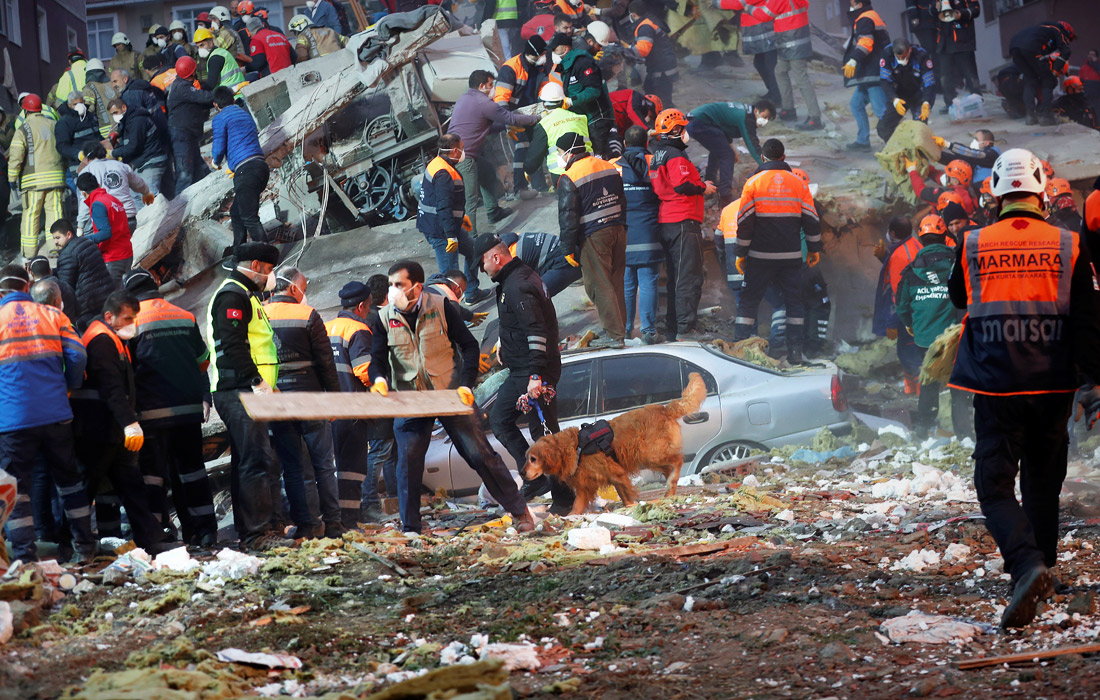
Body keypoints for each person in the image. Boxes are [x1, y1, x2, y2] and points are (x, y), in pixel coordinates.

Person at [948, 148, 1100, 628]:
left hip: (995, 385)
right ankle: (1044, 571)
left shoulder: (972, 242)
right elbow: (1088, 320)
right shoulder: (1069, 243)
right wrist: (1092, 381)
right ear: (1041, 193)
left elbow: (958, 296)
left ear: (993, 192)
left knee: (993, 486)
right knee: (1043, 481)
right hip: (1052, 383)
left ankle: (1026, 566)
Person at [367, 260, 535, 535]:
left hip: (450, 394)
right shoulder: (383, 317)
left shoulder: (442, 307)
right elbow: (377, 359)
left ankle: (520, 512)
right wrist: (379, 380)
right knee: (407, 465)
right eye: (390, 285)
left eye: (399, 285)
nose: (392, 290)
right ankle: (411, 528)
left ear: (417, 287)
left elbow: (469, 346)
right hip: (412, 399)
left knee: (480, 455)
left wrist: (466, 384)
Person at [0, 265, 97, 563]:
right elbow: (78, 355)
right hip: (57, 414)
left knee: (17, 488)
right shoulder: (54, 315)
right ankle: (85, 549)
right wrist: (68, 386)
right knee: (69, 482)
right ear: (28, 286)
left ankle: (26, 559)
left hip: (13, 421)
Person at [71, 290, 179, 554]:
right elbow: (111, 388)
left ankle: (151, 539)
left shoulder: (111, 338)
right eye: (128, 318)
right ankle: (75, 545)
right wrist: (129, 423)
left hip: (112, 430)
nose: (133, 324)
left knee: (131, 486)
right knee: (87, 489)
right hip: (99, 431)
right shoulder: (101, 341)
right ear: (110, 316)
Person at [475, 233, 575, 514]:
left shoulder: (518, 284)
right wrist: (502, 345)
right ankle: (549, 486)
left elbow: (536, 332)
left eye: (482, 264)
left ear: (496, 257)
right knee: (521, 425)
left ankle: (552, 489)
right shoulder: (515, 278)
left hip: (533, 371)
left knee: (533, 431)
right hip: (523, 368)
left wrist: (535, 376)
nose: (483, 271)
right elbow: (520, 325)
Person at [121, 269, 218, 547]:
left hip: (151, 415)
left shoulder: (132, 323)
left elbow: (127, 370)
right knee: (193, 472)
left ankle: (158, 534)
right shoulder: (184, 315)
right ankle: (204, 531)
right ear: (156, 286)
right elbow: (203, 361)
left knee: (152, 476)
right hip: (187, 411)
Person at [207, 242, 292, 552]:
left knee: (251, 460)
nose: (270, 277)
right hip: (239, 390)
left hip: (248, 390)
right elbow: (232, 344)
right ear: (256, 265)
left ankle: (258, 528)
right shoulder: (233, 295)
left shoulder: (245, 295)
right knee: (255, 461)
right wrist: (257, 381)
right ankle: (258, 534)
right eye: (268, 271)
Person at [264, 268, 342, 538]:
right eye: (304, 287)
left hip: (277, 401)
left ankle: (305, 526)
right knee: (323, 464)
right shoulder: (307, 314)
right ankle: (333, 523)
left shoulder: (260, 313)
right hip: (310, 399)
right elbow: (325, 362)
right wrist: (333, 399)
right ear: (294, 289)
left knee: (293, 466)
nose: (304, 293)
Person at [732, 138, 821, 364]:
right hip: (790, 257)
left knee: (749, 301)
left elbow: (744, 221)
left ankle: (739, 349)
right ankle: (795, 353)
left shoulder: (753, 183)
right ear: (783, 157)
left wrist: (741, 252)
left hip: (759, 256)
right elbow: (811, 219)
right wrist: (813, 249)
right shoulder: (798, 184)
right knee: (794, 303)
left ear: (762, 158)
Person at [449, 70, 539, 284]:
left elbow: (488, 126)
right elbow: (507, 117)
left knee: (488, 174)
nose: (493, 88)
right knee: (470, 200)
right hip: (464, 158)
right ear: (482, 85)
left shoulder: (466, 98)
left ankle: (493, 211)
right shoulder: (483, 102)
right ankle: (471, 238)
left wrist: (509, 124)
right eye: (491, 84)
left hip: (465, 152)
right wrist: (535, 117)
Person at [893, 214, 969, 439]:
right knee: (959, 387)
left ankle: (923, 431)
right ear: (945, 236)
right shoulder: (958, 263)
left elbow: (901, 305)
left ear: (920, 239)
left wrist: (910, 325)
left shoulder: (910, 272)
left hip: (925, 338)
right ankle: (965, 435)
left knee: (928, 383)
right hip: (955, 336)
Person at [556, 132, 628, 348]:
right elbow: (622, 199)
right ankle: (620, 329)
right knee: (615, 283)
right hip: (618, 229)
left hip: (594, 235)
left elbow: (568, 215)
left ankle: (614, 336)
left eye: (560, 153)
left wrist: (567, 246)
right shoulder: (607, 165)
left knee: (598, 284)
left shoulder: (570, 177)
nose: (559, 157)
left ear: (569, 152)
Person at [325, 281, 385, 529]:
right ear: (361, 306)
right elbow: (363, 370)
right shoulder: (358, 330)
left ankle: (335, 518)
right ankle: (349, 521)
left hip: (328, 409)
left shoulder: (327, 327)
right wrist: (381, 381)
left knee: (332, 467)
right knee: (352, 469)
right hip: (352, 411)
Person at [650, 109, 713, 341]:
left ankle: (674, 328)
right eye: (682, 128)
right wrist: (704, 188)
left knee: (677, 277)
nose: (686, 132)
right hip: (683, 220)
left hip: (668, 220)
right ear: (675, 130)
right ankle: (686, 330)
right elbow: (682, 185)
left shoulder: (658, 154)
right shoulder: (676, 155)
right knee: (689, 277)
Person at [614, 125, 662, 344]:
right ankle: (649, 331)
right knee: (649, 282)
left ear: (624, 144)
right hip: (649, 232)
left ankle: (624, 330)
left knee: (627, 283)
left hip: (623, 234)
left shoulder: (613, 166)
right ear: (645, 143)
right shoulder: (655, 162)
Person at [744, 0, 822, 130]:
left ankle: (815, 118)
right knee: (780, 71)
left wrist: (749, 8)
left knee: (802, 80)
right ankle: (788, 110)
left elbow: (764, 15)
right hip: (793, 43)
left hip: (791, 44)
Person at [210, 86, 269, 257]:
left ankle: (267, 257)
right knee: (237, 212)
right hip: (260, 167)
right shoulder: (244, 113)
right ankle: (238, 252)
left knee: (249, 217)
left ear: (215, 105)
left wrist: (215, 162)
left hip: (246, 172)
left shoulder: (221, 118)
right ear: (233, 99)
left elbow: (219, 146)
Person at [7, 94, 66, 259]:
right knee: (55, 212)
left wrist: (12, 178)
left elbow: (16, 156)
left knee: (31, 215)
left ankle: (29, 252)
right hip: (56, 179)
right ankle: (56, 246)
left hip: (33, 182)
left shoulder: (23, 129)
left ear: (25, 111)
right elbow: (63, 148)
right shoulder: (55, 125)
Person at [417, 133, 477, 285]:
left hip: (445, 224)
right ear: (455, 150)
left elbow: (441, 200)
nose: (464, 152)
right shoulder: (444, 173)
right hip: (441, 231)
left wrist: (460, 218)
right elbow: (443, 206)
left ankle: (472, 292)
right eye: (462, 148)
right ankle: (452, 307)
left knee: (474, 251)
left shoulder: (437, 163)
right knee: (451, 276)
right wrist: (451, 235)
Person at [687, 100, 772, 206]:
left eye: (768, 119)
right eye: (764, 116)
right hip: (699, 122)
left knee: (719, 151)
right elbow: (753, 147)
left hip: (697, 120)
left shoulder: (746, 111)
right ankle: (725, 196)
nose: (765, 121)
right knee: (727, 155)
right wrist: (769, 166)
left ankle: (710, 185)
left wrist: (731, 146)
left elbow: (723, 129)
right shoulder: (748, 119)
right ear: (756, 111)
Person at [494, 36, 548, 199]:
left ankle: (540, 187)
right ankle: (520, 188)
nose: (545, 56)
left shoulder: (539, 66)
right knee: (522, 146)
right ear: (535, 53)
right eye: (543, 53)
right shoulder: (510, 68)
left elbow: (543, 86)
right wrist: (509, 121)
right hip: (515, 115)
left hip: (533, 112)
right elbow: (501, 99)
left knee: (536, 146)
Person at [560, 22, 620, 158]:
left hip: (587, 117)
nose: (600, 49)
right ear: (589, 41)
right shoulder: (581, 61)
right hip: (593, 117)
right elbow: (591, 91)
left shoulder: (578, 56)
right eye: (599, 45)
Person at [842, 0, 890, 151]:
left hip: (873, 72)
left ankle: (892, 142)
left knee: (880, 109)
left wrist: (853, 59)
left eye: (852, 3)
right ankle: (863, 140)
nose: (850, 6)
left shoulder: (865, 18)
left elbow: (866, 42)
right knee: (856, 105)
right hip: (868, 72)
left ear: (859, 5)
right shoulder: (870, 16)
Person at [1009, 21, 1076, 125]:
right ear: (1066, 31)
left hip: (1014, 48)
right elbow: (1066, 51)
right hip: (1031, 48)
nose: (1067, 40)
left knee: (1030, 79)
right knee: (1049, 80)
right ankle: (1046, 116)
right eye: (1069, 38)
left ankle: (1030, 116)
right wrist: (1055, 71)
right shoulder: (1057, 29)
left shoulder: (1040, 29)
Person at [78, 142, 153, 236]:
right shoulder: (121, 166)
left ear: (87, 158)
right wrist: (147, 193)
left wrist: (80, 225)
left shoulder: (86, 172)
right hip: (128, 218)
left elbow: (85, 202)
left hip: (107, 223)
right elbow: (139, 184)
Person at [524, 82, 590, 188]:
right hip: (588, 166)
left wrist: (528, 169)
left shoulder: (544, 124)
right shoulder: (581, 117)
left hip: (562, 173)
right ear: (563, 101)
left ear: (544, 104)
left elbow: (535, 155)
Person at [52, 220, 113, 331]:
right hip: (105, 297)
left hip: (87, 306)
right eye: (54, 238)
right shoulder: (87, 242)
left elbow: (65, 286)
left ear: (69, 234)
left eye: (57, 238)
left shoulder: (67, 254)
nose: (55, 242)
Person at [167, 57, 214, 194]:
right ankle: (180, 208)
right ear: (192, 73)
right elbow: (203, 97)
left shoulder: (181, 85)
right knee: (185, 173)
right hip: (181, 135)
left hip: (187, 133)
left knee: (200, 169)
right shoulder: (182, 88)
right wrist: (223, 94)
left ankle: (209, 195)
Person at [107, 98, 171, 199]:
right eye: (112, 114)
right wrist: (117, 133)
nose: (115, 116)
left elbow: (133, 147)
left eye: (116, 112)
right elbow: (124, 127)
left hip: (151, 160)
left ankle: (155, 214)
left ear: (123, 107)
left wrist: (113, 154)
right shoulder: (129, 117)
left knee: (149, 194)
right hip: (143, 161)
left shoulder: (137, 121)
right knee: (135, 195)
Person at [718, 0, 779, 104]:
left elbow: (739, 3)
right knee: (760, 63)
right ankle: (773, 92)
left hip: (767, 29)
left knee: (769, 65)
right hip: (762, 29)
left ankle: (777, 96)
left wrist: (716, 3)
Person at [876, 37, 936, 143]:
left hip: (919, 95)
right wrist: (894, 99)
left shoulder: (921, 55)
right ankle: (895, 147)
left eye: (904, 56)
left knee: (920, 131)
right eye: (898, 57)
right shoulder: (887, 53)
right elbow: (885, 80)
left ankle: (919, 154)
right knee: (883, 127)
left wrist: (926, 102)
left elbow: (929, 82)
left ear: (910, 50)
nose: (901, 60)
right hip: (898, 96)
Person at [76, 172, 133, 284]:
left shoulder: (97, 204)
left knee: (113, 297)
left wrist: (83, 240)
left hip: (113, 257)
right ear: (97, 184)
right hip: (126, 252)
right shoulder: (112, 199)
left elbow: (105, 233)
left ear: (83, 193)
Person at [498, 231, 582, 297]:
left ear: (495, 258)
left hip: (570, 262)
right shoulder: (505, 241)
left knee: (534, 297)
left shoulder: (511, 261)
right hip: (571, 251)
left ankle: (576, 274)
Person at [931, 0, 980, 110]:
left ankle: (977, 100)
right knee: (945, 75)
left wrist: (961, 14)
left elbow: (976, 10)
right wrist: (936, 7)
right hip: (944, 41)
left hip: (963, 39)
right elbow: (931, 11)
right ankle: (950, 103)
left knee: (969, 72)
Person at [627, 1, 677, 108]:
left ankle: (667, 120)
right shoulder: (650, 19)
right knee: (653, 94)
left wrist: (627, 51)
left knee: (659, 99)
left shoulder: (645, 26)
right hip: (663, 64)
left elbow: (643, 49)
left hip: (661, 68)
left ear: (633, 14)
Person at [54, 93, 101, 200]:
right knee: (85, 199)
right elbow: (62, 146)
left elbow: (97, 136)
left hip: (97, 164)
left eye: (81, 102)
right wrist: (78, 154)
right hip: (79, 167)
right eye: (76, 104)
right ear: (69, 105)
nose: (80, 106)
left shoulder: (90, 117)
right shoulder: (64, 123)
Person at [906, 157, 976, 215]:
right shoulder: (967, 188)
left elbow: (921, 191)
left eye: (948, 175)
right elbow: (941, 178)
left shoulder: (947, 195)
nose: (945, 176)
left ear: (955, 181)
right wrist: (927, 168)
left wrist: (912, 171)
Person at [935, 128, 999, 183]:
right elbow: (957, 160)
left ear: (987, 143)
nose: (974, 141)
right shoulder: (979, 158)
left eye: (976, 139)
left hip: (986, 191)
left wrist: (948, 145)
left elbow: (971, 153)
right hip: (977, 188)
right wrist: (936, 154)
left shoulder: (992, 155)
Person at [82, 59, 118, 138]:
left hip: (104, 130)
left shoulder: (89, 87)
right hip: (120, 125)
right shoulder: (113, 84)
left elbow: (89, 110)